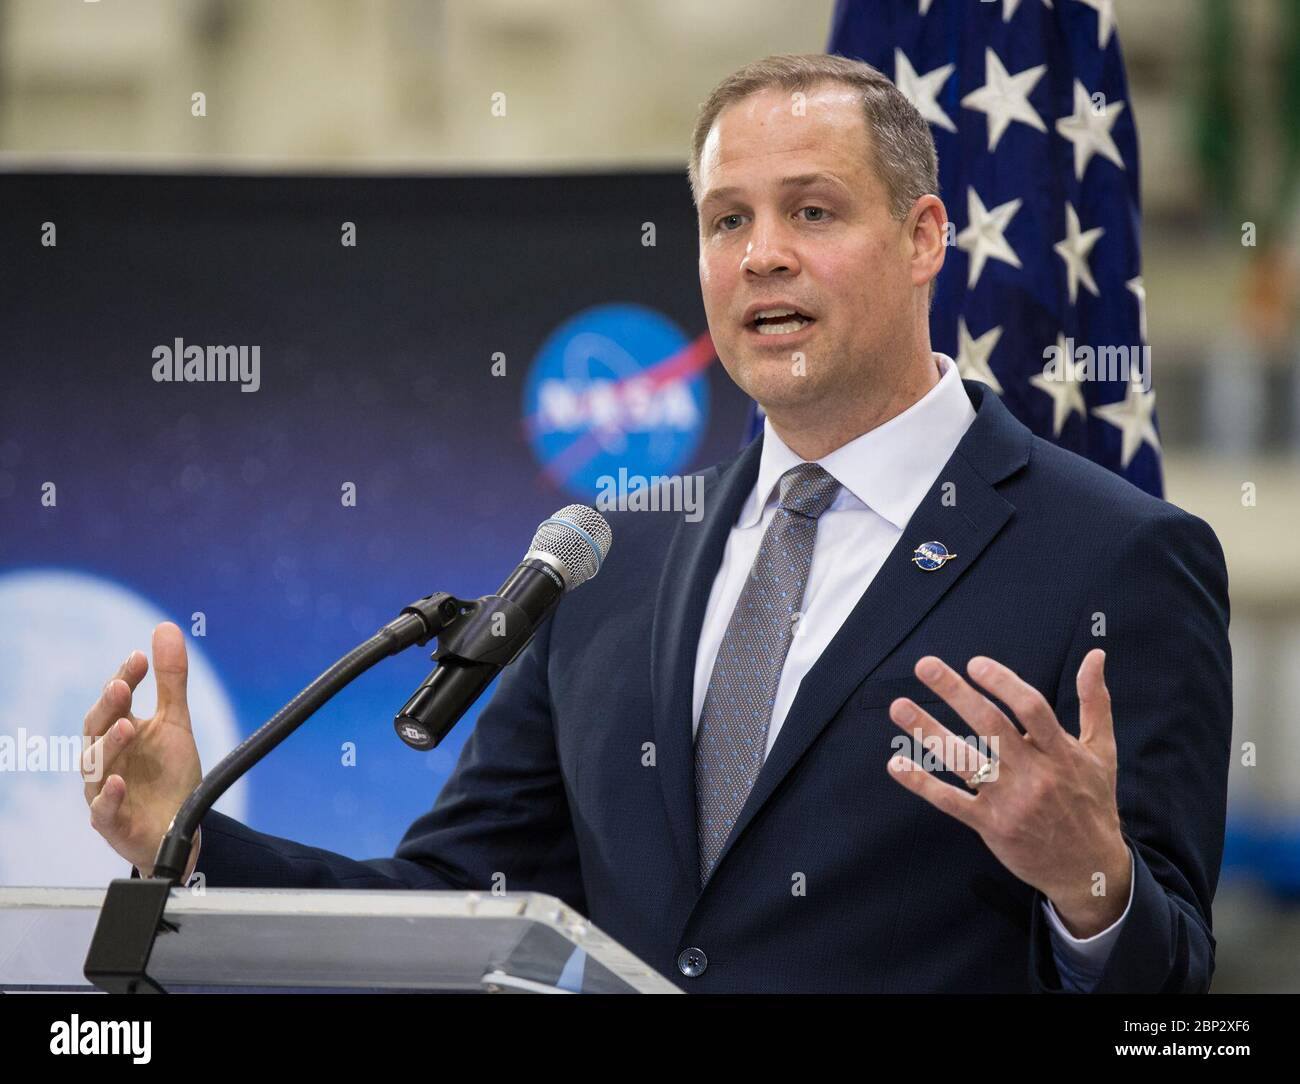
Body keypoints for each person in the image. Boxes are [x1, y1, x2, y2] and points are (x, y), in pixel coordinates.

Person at [81, 53, 1231, 993]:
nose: (761, 252)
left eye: (812, 211)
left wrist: (1094, 885)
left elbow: (1170, 995)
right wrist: (185, 838)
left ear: (926, 238)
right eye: (725, 219)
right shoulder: (608, 567)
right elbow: (451, 906)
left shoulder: (1113, 556)